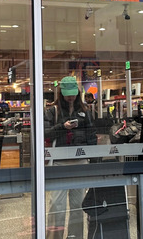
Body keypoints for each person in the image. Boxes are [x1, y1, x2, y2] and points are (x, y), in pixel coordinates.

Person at [44, 76, 97, 239]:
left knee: (77, 205)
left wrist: (93, 159)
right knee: (56, 205)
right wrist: (62, 127)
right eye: (67, 94)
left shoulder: (85, 111)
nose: (70, 97)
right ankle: (54, 237)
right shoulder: (52, 111)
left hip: (80, 162)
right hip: (58, 162)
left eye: (73, 94)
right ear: (61, 93)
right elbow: (44, 133)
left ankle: (76, 236)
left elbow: (91, 135)